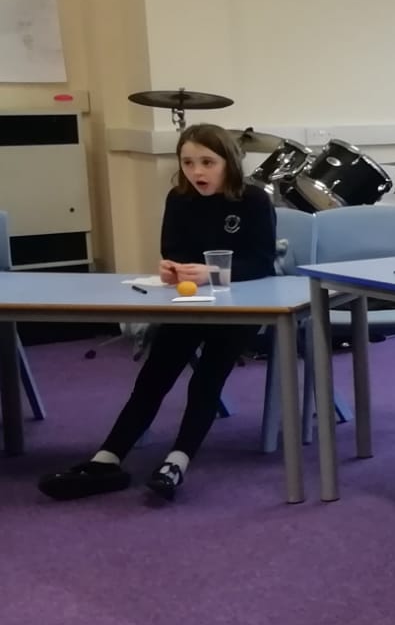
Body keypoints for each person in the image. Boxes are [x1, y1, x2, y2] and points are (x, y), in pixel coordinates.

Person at [38, 124, 278, 504]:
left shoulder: (253, 200)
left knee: (205, 384)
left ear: (228, 163)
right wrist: (172, 269)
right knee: (153, 377)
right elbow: (174, 249)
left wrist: (214, 273)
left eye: (207, 162)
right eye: (188, 162)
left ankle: (177, 461)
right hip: (190, 305)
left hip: (238, 309)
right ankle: (107, 459)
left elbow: (263, 262)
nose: (197, 172)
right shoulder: (179, 199)